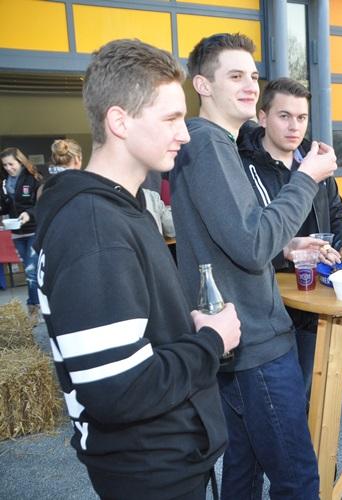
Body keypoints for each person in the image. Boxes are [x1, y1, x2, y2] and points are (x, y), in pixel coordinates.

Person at [31, 39, 241, 500]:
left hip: (164, 457)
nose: (185, 134)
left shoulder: (124, 211)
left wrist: (186, 329)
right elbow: (118, 390)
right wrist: (212, 341)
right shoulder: (94, 229)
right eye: (170, 118)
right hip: (149, 470)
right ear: (119, 121)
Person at [170, 33, 337, 499]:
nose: (250, 85)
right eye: (235, 76)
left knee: (243, 472)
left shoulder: (214, 143)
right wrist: (306, 178)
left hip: (237, 337)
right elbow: (251, 244)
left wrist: (287, 245)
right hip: (255, 344)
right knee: (297, 480)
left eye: (253, 75)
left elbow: (238, 236)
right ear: (203, 85)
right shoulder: (208, 145)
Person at [237, 77, 342, 396]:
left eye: (301, 117)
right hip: (267, 302)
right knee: (277, 397)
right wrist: (286, 252)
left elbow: (336, 212)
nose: (295, 126)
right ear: (263, 118)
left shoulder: (316, 162)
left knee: (311, 393)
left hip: (314, 296)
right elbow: (244, 236)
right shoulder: (242, 166)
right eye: (284, 116)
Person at [0, 147, 42, 321]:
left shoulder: (33, 179)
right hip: (17, 233)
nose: (8, 168)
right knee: (30, 272)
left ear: (20, 162)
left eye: (11, 164)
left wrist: (29, 214)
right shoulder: (4, 182)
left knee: (31, 272)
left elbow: (41, 204)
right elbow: (5, 206)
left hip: (34, 230)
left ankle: (33, 308)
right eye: (5, 165)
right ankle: (38, 305)